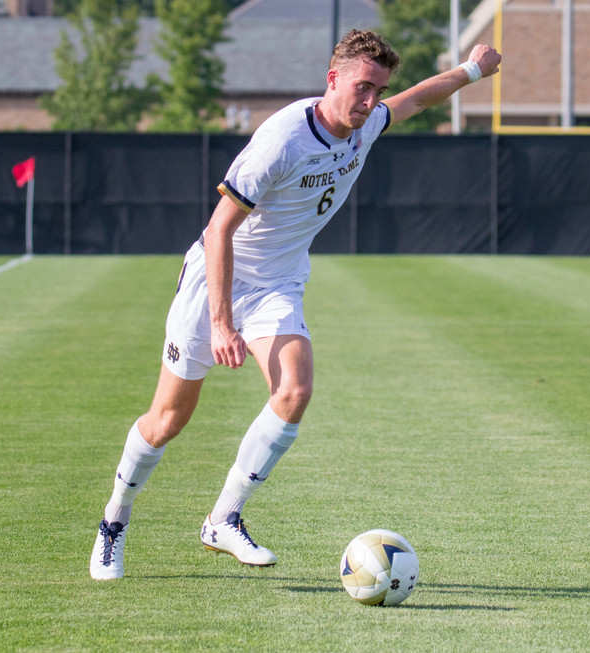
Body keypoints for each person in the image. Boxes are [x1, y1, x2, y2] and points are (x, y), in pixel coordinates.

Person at [90, 29, 502, 580]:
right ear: (332, 79)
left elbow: (417, 100)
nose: (371, 101)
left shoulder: (366, 124)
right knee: (167, 420)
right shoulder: (282, 140)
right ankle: (114, 521)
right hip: (215, 281)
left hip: (277, 284)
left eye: (378, 90)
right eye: (362, 87)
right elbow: (219, 231)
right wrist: (220, 323)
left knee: (294, 391)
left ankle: (223, 518)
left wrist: (472, 71)